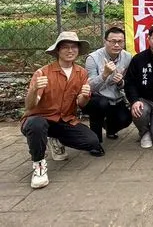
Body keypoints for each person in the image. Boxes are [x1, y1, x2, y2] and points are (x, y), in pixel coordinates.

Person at [21, 32, 104, 189]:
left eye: (74, 47)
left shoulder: (81, 73)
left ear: (78, 50)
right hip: (39, 118)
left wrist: (85, 96)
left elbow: (81, 103)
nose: (70, 50)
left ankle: (55, 138)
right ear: (57, 50)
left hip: (64, 119)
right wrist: (33, 90)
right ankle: (38, 165)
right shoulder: (42, 73)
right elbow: (30, 106)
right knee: (36, 125)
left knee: (92, 142)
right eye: (65, 47)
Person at [84, 26, 132, 143]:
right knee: (100, 104)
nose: (116, 45)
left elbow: (127, 83)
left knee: (126, 119)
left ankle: (110, 128)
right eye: (113, 41)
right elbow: (90, 87)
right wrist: (104, 75)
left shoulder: (127, 57)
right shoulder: (92, 58)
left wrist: (121, 82)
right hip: (97, 97)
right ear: (105, 41)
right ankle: (95, 141)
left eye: (120, 41)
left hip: (116, 97)